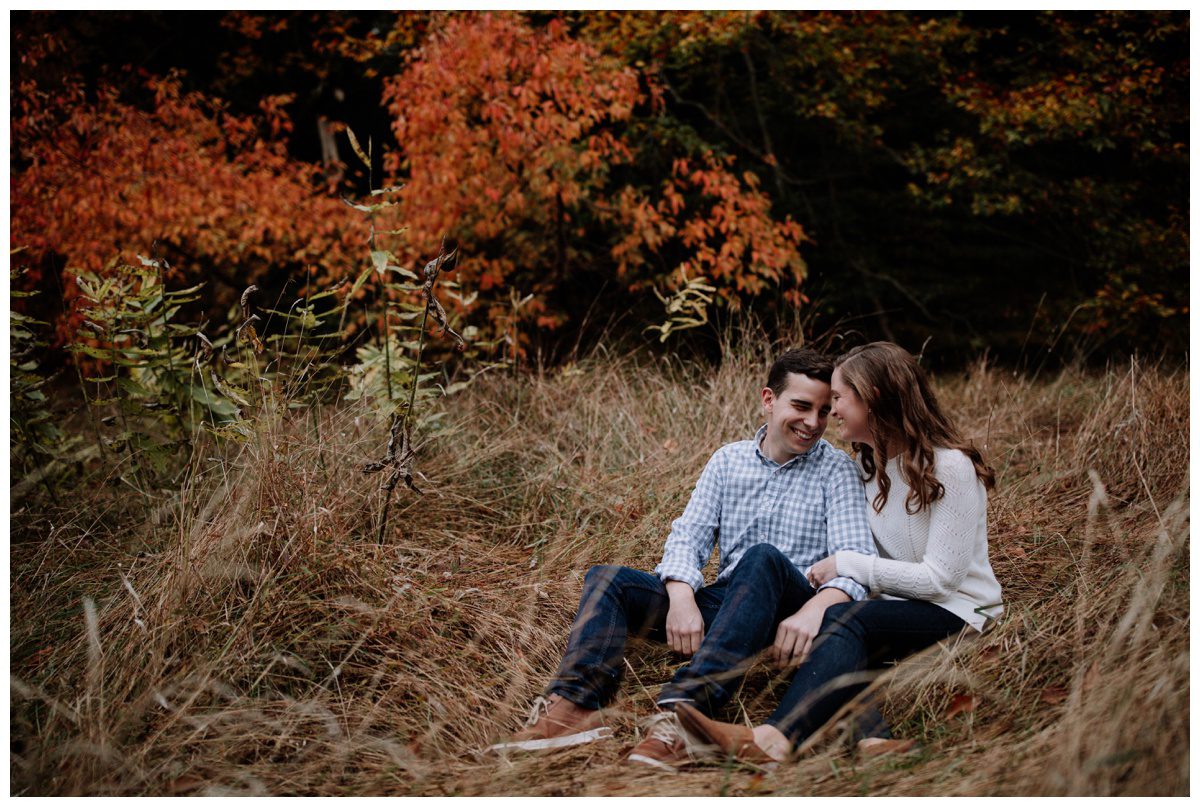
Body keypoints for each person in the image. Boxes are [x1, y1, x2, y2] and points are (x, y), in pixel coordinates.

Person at [485, 348, 877, 771]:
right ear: (769, 400)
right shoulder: (728, 461)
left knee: (762, 558)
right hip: (730, 601)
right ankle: (575, 707)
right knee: (608, 580)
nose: (813, 422)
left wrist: (814, 610)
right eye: (801, 406)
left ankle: (682, 716)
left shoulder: (836, 470)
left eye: (823, 411)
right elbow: (688, 536)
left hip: (791, 609)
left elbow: (855, 564)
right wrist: (682, 596)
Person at [676, 341, 1004, 764]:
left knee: (844, 620)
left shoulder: (950, 467)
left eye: (837, 398)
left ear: (873, 398)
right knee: (834, 626)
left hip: (960, 612)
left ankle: (775, 739)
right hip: (894, 610)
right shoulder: (867, 467)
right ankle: (873, 740)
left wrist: (846, 566)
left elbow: (941, 581)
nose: (831, 413)